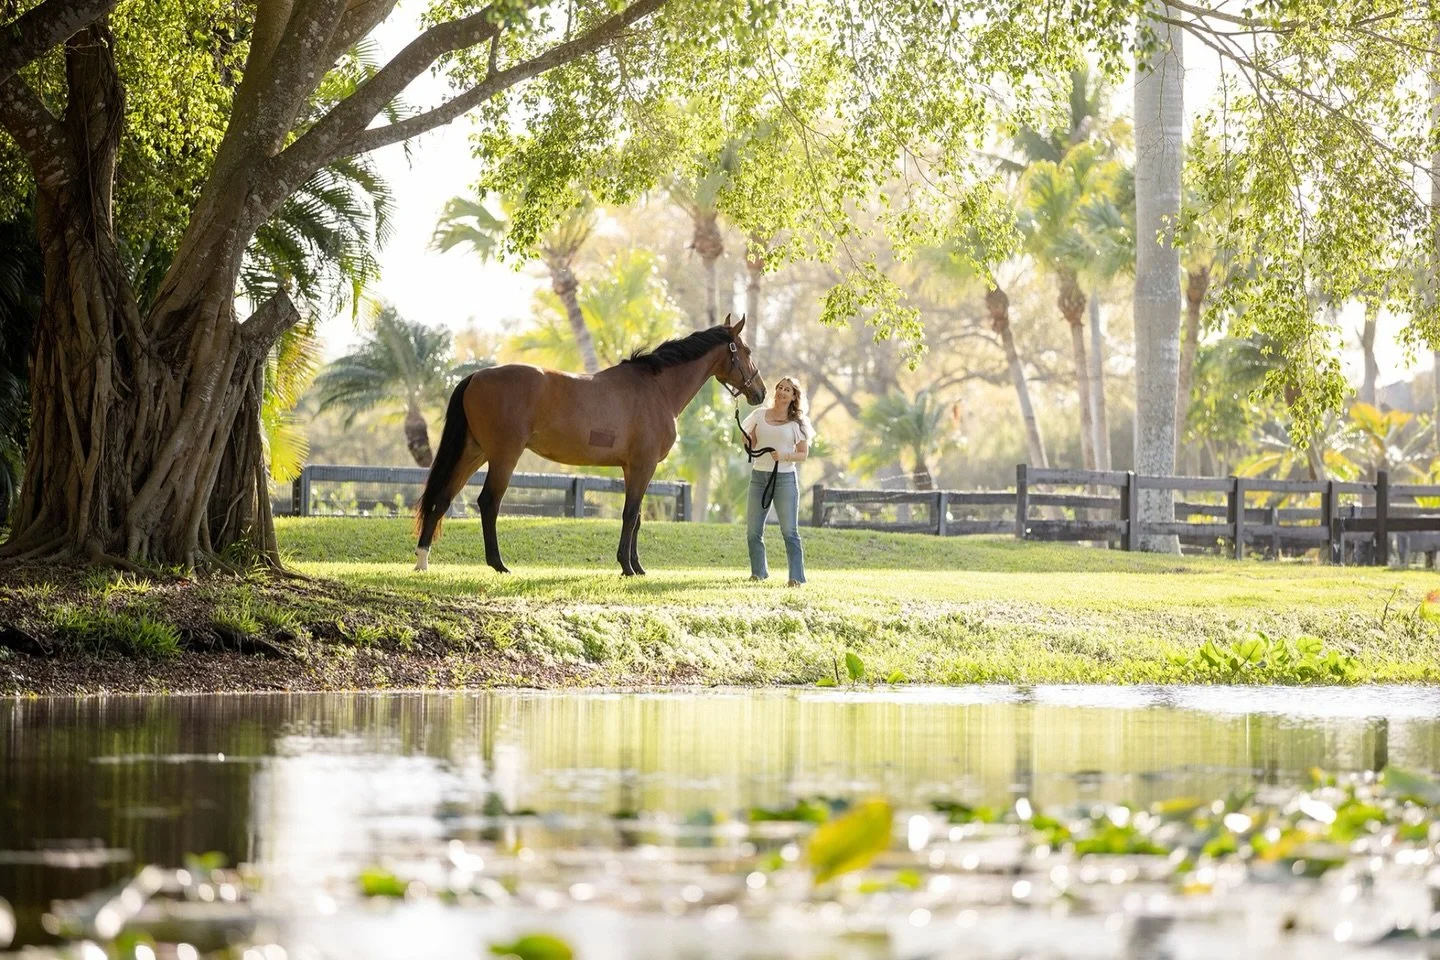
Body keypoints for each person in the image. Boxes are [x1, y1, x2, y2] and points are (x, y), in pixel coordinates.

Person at [741, 376, 813, 586]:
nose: (781, 391)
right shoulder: (759, 415)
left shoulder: (797, 424)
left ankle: (796, 578)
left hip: (784, 480)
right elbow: (751, 444)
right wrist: (746, 440)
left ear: (793, 397)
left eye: (787, 390)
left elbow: (803, 454)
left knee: (789, 531)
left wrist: (785, 456)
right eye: (780, 387)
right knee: (753, 531)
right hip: (759, 477)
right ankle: (759, 573)